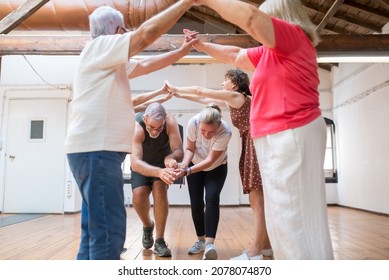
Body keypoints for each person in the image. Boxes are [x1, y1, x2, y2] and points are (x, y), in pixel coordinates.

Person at [189, 0, 334, 259]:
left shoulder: (292, 37)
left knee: (292, 215)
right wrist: (199, 44)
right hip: (277, 136)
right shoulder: (270, 53)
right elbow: (234, 55)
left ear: (278, 18)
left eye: (267, 21)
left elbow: (251, 19)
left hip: (292, 132)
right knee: (281, 215)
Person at [64, 1, 196, 260]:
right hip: (96, 152)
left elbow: (148, 65)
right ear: (116, 31)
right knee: (109, 233)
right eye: (123, 30)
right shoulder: (102, 46)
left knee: (94, 232)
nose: (125, 35)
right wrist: (185, 4)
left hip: (92, 152)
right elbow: (145, 35)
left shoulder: (108, 59)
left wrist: (182, 51)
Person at [166, 69, 272, 260]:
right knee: (258, 199)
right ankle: (265, 245)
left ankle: (256, 249)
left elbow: (200, 91)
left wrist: (175, 87)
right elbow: (203, 100)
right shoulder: (236, 101)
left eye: (225, 81)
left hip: (254, 144)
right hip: (253, 142)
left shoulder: (236, 97)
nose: (222, 84)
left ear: (234, 83)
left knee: (257, 199)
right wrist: (178, 94)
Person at [177, 104, 232, 260]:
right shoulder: (193, 123)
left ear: (218, 126)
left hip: (216, 167)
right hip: (194, 164)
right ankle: (200, 240)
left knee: (212, 198)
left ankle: (209, 245)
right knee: (196, 203)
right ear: (199, 124)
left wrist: (187, 171)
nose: (206, 135)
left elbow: (209, 161)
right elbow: (189, 149)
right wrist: (185, 164)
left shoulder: (225, 131)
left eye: (211, 132)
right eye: (203, 131)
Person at [130, 102, 183, 257]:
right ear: (145, 118)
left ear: (164, 121)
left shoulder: (171, 122)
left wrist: (170, 158)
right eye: (151, 127)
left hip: (162, 162)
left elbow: (179, 150)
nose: (155, 131)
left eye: (159, 128)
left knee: (160, 190)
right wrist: (159, 172)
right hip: (142, 164)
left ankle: (160, 240)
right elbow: (135, 163)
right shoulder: (136, 127)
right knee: (139, 195)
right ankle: (148, 226)